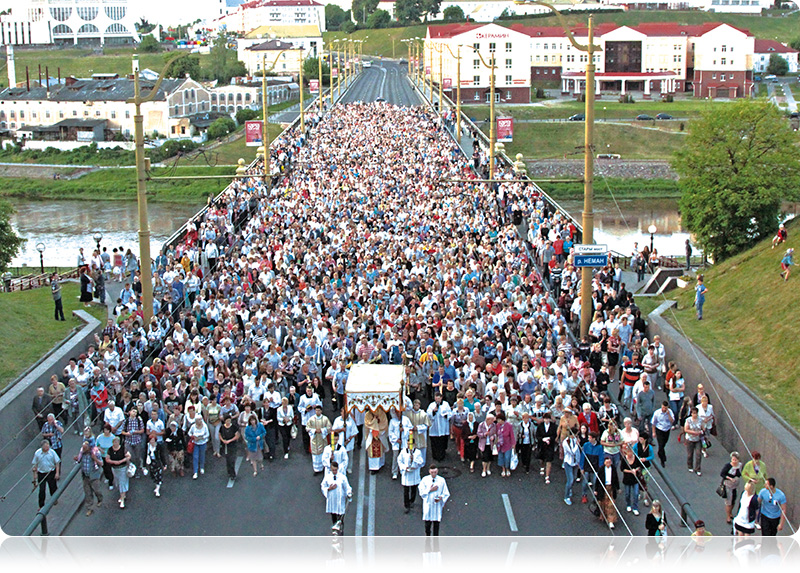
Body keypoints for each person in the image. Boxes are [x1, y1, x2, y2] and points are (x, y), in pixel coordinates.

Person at [418, 464, 450, 536]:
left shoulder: (441, 480)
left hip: (436, 505)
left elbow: (446, 493)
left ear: (437, 471)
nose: (433, 474)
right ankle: (427, 535)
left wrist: (441, 498)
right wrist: (429, 490)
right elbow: (421, 491)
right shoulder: (425, 480)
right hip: (428, 504)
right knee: (427, 523)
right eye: (432, 472)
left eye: (435, 472)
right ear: (429, 471)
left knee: (436, 523)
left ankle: (436, 537)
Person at [321, 461, 352, 535]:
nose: (334, 471)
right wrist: (329, 489)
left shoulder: (342, 477)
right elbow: (323, 486)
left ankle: (341, 530)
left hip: (340, 500)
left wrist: (349, 493)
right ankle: (335, 529)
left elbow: (347, 486)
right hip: (332, 500)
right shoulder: (328, 477)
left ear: (338, 469)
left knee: (341, 517)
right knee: (333, 515)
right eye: (333, 470)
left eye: (335, 470)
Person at [75, 441, 104, 516]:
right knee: (87, 492)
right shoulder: (82, 454)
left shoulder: (95, 453)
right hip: (86, 476)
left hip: (94, 476)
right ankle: (89, 508)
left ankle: (100, 498)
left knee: (97, 490)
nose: (83, 450)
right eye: (83, 448)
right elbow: (79, 460)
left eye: (85, 448)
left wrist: (95, 459)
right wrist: (76, 459)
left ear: (89, 448)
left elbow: (101, 463)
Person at [397, 437, 424, 513]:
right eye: (408, 444)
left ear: (414, 444)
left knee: (413, 489)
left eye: (411, 444)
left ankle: (412, 500)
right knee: (406, 490)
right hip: (406, 473)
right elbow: (399, 460)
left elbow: (421, 462)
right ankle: (406, 505)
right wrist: (404, 467)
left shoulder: (417, 452)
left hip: (414, 473)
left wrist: (414, 459)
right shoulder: (403, 452)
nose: (409, 446)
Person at [31, 439, 60, 509]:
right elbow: (35, 464)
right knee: (42, 490)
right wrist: (35, 476)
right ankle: (41, 506)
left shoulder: (52, 452)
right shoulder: (37, 453)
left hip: (51, 473)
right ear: (42, 447)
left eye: (48, 446)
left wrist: (57, 473)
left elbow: (57, 462)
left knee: (53, 487)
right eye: (46, 447)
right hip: (41, 473)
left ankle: (54, 499)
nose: (48, 448)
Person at [105, 436, 130, 509]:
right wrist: (114, 462)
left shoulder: (123, 449)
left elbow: (128, 456)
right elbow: (107, 459)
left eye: (116, 442)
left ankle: (122, 500)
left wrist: (121, 461)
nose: (115, 443)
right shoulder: (110, 449)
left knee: (122, 482)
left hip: (123, 468)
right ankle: (123, 494)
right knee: (117, 482)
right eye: (114, 442)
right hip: (114, 469)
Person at [595, 457, 620, 530]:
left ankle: (611, 520)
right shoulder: (601, 469)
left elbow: (616, 479)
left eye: (609, 462)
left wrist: (618, 488)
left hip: (611, 488)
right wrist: (596, 490)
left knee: (610, 504)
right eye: (607, 462)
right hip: (603, 488)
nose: (608, 464)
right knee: (603, 503)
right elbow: (598, 480)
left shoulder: (613, 469)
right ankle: (603, 516)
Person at [427, 393, 452, 462]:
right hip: (435, 427)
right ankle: (435, 455)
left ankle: (442, 455)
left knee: (442, 442)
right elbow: (428, 414)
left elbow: (450, 413)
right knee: (435, 442)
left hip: (443, 426)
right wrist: (433, 412)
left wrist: (446, 415)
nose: (438, 399)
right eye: (436, 397)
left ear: (441, 398)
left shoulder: (446, 404)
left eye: (439, 397)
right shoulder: (431, 405)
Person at [307, 405, 332, 474]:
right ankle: (316, 469)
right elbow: (307, 428)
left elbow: (329, 428)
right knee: (315, 455)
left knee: (323, 453)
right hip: (314, 439)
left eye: (319, 410)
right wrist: (314, 431)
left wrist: (321, 430)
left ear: (321, 411)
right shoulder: (311, 419)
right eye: (316, 410)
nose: (317, 412)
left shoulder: (325, 419)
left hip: (322, 438)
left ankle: (324, 467)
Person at [620, 443, 644, 516]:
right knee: (627, 494)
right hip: (627, 479)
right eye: (629, 452)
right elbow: (622, 469)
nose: (630, 454)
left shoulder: (636, 458)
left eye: (631, 452)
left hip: (635, 479)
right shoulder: (624, 459)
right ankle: (628, 504)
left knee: (636, 494)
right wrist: (630, 471)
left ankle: (635, 507)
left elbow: (639, 466)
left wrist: (636, 470)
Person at [720, 451, 743, 524]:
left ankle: (730, 513)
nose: (734, 461)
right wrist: (730, 478)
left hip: (735, 486)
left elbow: (740, 473)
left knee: (733, 500)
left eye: (735, 460)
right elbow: (722, 474)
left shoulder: (740, 465)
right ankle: (728, 516)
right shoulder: (728, 466)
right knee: (728, 501)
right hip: (728, 485)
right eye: (733, 459)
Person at [364, 407, 389, 473]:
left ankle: (380, 464)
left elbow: (384, 423)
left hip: (380, 435)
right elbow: (367, 424)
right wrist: (374, 424)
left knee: (380, 450)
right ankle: (373, 467)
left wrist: (378, 431)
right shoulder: (368, 414)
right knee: (372, 451)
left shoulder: (381, 413)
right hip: (371, 435)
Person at [650, 401, 675, 468]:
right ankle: (662, 459)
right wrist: (653, 432)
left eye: (665, 408)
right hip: (659, 429)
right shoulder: (657, 413)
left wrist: (668, 414)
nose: (664, 409)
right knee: (661, 444)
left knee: (664, 443)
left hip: (667, 429)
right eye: (663, 407)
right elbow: (653, 423)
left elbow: (672, 421)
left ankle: (660, 451)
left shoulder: (670, 412)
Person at [536, 411, 558, 484]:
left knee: (549, 460)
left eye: (548, 419)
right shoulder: (540, 426)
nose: (547, 420)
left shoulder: (553, 426)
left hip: (550, 445)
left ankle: (547, 476)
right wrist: (542, 439)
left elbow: (555, 435)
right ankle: (542, 467)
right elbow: (537, 435)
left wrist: (549, 439)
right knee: (541, 458)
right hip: (542, 445)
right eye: (545, 419)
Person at [495, 411, 516, 478]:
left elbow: (512, 435)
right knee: (501, 457)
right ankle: (503, 469)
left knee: (507, 457)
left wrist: (513, 443)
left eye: (499, 420)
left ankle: (507, 469)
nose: (498, 421)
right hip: (500, 444)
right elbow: (496, 434)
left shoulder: (509, 425)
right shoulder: (497, 426)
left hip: (507, 444)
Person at [188, 415, 209, 479]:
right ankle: (195, 471)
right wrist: (193, 437)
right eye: (198, 420)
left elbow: (207, 434)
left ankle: (202, 467)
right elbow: (189, 433)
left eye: (201, 419)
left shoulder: (204, 426)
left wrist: (202, 437)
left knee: (202, 455)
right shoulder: (193, 426)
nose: (200, 421)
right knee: (195, 457)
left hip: (202, 443)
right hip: (195, 443)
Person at [562, 432, 581, 505]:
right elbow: (572, 452)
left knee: (574, 478)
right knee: (570, 480)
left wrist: (578, 462)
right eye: (574, 435)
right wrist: (576, 445)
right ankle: (566, 497)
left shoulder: (575, 440)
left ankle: (570, 489)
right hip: (568, 463)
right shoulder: (566, 442)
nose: (575, 437)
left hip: (575, 463)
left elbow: (578, 452)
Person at [684, 407, 704, 475]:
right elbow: (686, 429)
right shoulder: (688, 420)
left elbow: (703, 428)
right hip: (690, 439)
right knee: (690, 454)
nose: (694, 415)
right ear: (691, 413)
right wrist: (694, 432)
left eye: (695, 413)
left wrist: (701, 431)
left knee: (698, 454)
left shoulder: (700, 420)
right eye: (693, 413)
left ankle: (698, 469)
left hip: (698, 439)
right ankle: (690, 466)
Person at [219, 415, 240, 480]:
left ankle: (233, 474)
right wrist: (223, 440)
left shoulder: (234, 427)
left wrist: (230, 440)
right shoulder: (222, 427)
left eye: (229, 420)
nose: (228, 421)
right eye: (227, 420)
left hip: (232, 445)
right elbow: (219, 434)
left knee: (232, 459)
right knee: (227, 459)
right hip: (225, 446)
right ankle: (229, 471)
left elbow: (237, 436)